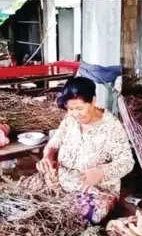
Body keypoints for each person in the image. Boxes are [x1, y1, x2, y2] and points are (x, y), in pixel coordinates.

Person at [33, 76, 135, 224]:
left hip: (95, 191)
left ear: (93, 101)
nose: (75, 113)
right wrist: (47, 157)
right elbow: (53, 144)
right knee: (28, 198)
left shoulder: (111, 127)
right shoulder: (70, 120)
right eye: (70, 109)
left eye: (80, 108)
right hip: (60, 182)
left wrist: (101, 172)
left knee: (73, 217)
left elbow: (127, 162)